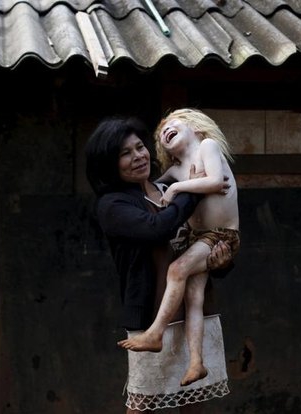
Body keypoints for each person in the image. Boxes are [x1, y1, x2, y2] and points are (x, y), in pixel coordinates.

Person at [85, 115, 233, 413]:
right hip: (151, 314)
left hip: (192, 309)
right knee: (143, 401)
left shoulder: (167, 188)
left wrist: (220, 262)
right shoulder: (112, 205)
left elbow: (200, 239)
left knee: (194, 397)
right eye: (124, 153)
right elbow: (157, 228)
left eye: (139, 147)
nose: (138, 156)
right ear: (108, 164)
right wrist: (194, 188)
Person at [117, 108, 240, 388]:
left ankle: (155, 333)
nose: (164, 131)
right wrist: (169, 190)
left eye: (172, 124)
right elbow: (156, 189)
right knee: (193, 299)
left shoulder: (207, 146)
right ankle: (196, 363)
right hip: (199, 238)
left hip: (220, 234)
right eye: (161, 134)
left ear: (196, 128)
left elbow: (215, 181)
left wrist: (176, 190)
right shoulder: (174, 170)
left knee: (178, 269)